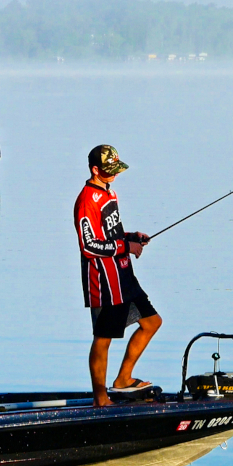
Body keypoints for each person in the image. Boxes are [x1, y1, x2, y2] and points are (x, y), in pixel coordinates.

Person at [74, 145, 161, 408]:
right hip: (104, 281)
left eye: (116, 170)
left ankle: (123, 379)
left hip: (124, 274)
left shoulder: (109, 193)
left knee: (152, 322)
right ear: (94, 170)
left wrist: (131, 237)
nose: (114, 175)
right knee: (104, 338)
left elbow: (110, 233)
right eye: (109, 171)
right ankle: (100, 397)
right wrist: (125, 247)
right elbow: (89, 246)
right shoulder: (87, 200)